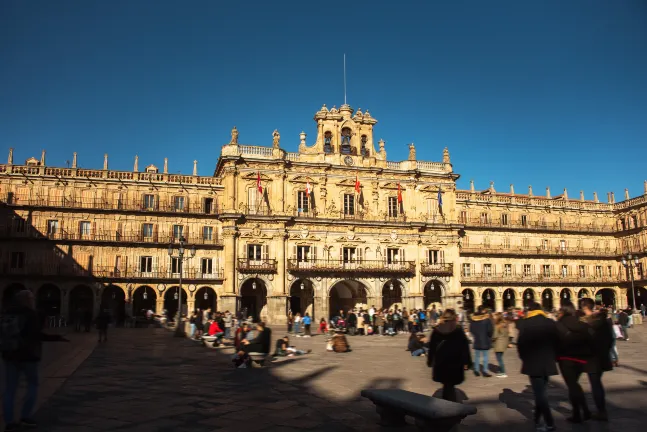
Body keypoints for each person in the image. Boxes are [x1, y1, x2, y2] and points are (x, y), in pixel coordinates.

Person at [1, 290, 69, 431]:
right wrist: (56, 337)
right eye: (31, 297)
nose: (33, 299)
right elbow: (36, 335)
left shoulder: (7, 313)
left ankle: (9, 422)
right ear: (27, 300)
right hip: (28, 356)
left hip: (10, 354)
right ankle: (25, 417)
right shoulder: (31, 314)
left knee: (10, 390)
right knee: (32, 385)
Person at [516, 302, 559, 432]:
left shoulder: (525, 324)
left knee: (540, 394)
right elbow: (558, 341)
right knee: (542, 392)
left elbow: (520, 344)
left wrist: (525, 358)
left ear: (529, 310)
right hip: (548, 361)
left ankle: (549, 423)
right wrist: (554, 356)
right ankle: (536, 418)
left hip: (532, 362)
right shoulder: (550, 322)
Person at [555, 301, 593, 423]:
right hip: (581, 359)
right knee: (575, 385)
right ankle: (585, 411)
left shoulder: (559, 324)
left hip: (566, 359)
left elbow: (554, 341)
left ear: (563, 311)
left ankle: (578, 414)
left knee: (572, 386)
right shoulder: (582, 324)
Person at [426, 309, 471, 402]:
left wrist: (430, 361)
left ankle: (447, 401)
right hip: (455, 361)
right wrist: (467, 362)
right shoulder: (458, 330)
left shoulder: (436, 330)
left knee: (447, 383)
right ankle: (450, 405)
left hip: (441, 362)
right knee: (450, 384)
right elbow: (464, 348)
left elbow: (432, 348)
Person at [580, 298, 613, 422]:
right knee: (598, 384)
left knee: (595, 385)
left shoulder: (588, 323)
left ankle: (601, 411)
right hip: (603, 357)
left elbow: (584, 341)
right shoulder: (604, 321)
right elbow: (610, 340)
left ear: (584, 307)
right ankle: (601, 410)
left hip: (591, 358)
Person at [469, 305, 493, 377]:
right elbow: (490, 330)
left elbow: (471, 330)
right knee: (485, 356)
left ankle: (476, 370)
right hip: (485, 339)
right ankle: (485, 371)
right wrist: (489, 336)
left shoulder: (473, 319)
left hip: (477, 339)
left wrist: (475, 335)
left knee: (477, 356)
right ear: (483, 310)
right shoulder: (486, 319)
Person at [492, 312, 509, 378]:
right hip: (504, 343)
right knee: (500, 358)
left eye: (495, 316)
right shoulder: (505, 324)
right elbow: (507, 334)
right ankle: (500, 370)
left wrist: (491, 339)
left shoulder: (497, 326)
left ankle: (503, 372)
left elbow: (495, 336)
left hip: (498, 343)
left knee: (499, 359)